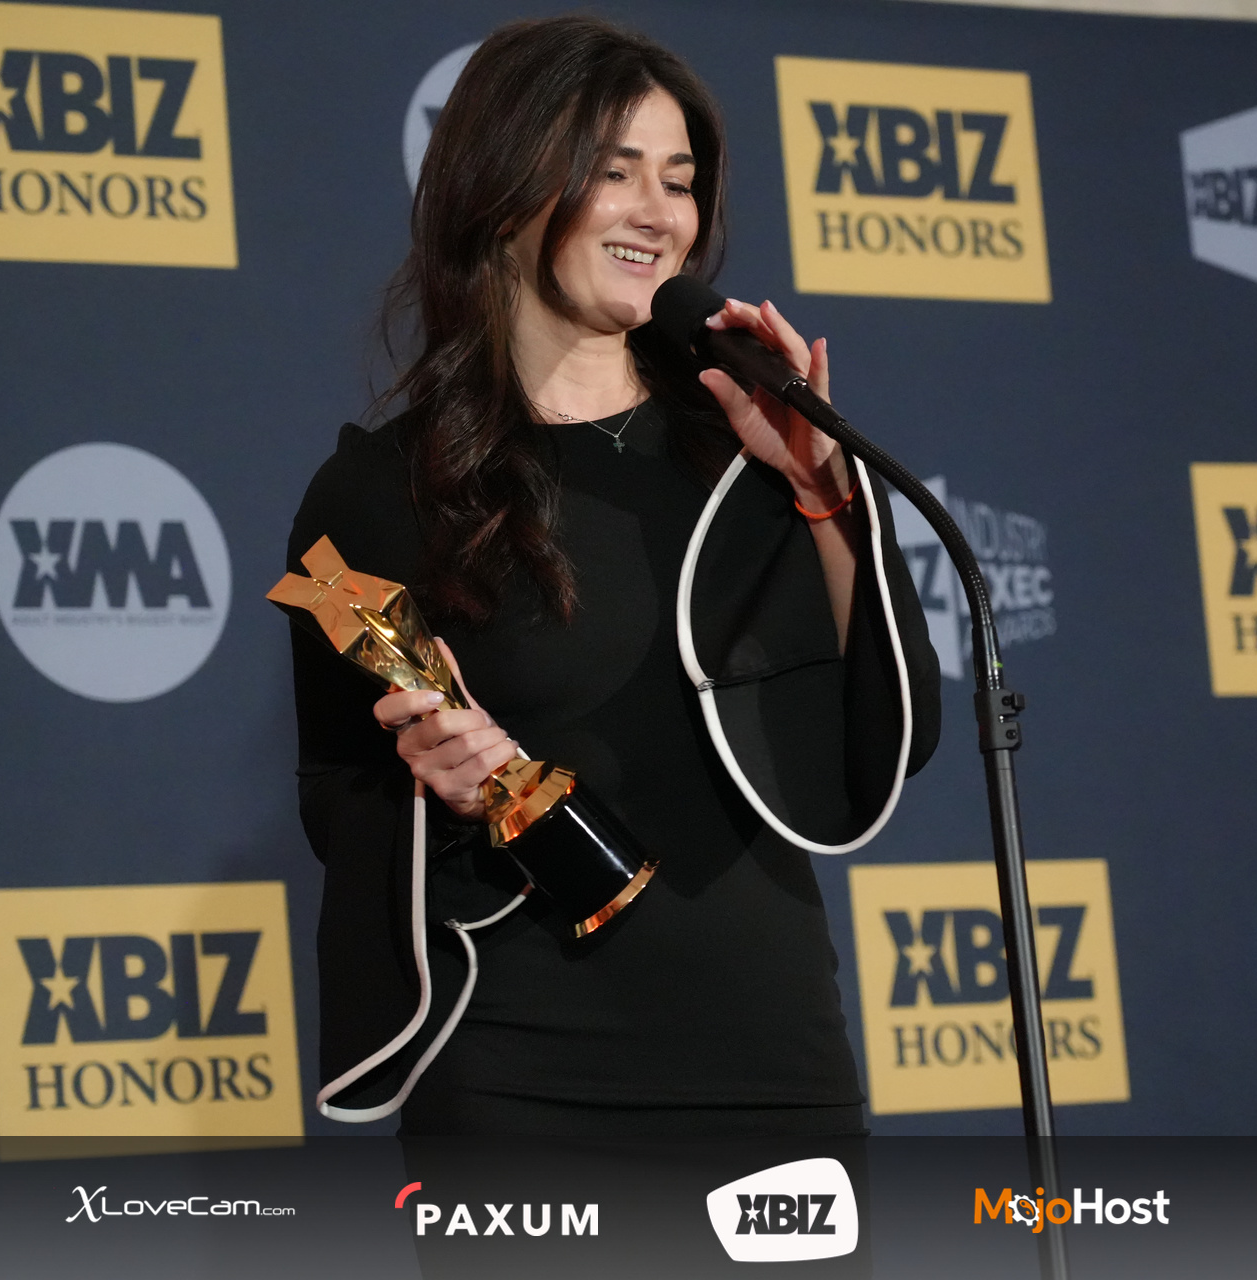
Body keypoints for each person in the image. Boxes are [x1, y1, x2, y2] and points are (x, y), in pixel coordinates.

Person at [287, 14, 940, 1138]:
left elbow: (891, 732)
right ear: (504, 189)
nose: (659, 213)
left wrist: (824, 487)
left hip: (775, 1059)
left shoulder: (751, 451)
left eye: (679, 182)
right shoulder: (381, 492)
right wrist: (433, 788)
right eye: (614, 171)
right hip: (519, 1075)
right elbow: (334, 786)